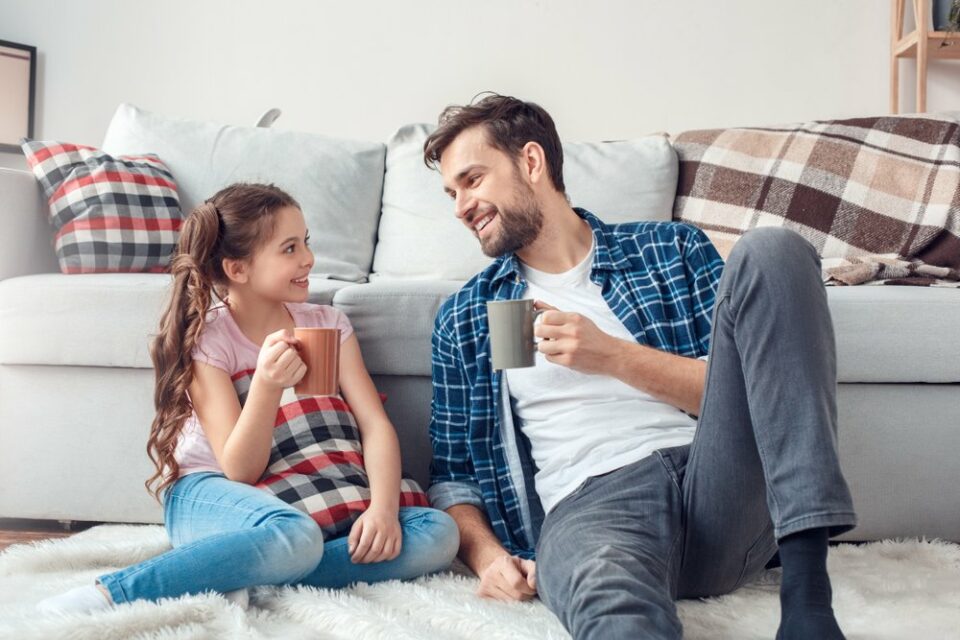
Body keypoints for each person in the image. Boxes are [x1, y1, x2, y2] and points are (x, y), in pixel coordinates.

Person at [423, 94, 856, 640]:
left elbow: (758, 397)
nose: (461, 205)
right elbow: (454, 476)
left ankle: (808, 598)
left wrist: (614, 357)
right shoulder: (468, 316)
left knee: (775, 251)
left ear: (531, 163)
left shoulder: (669, 251)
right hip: (593, 509)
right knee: (613, 608)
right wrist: (487, 557)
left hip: (717, 485)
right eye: (451, 192)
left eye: (472, 180)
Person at [37, 183, 458, 614]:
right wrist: (267, 386)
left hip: (311, 491)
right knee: (295, 537)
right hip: (215, 493)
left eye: (306, 243)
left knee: (437, 533)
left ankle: (239, 574)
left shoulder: (328, 323)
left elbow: (374, 424)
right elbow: (239, 469)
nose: (308, 259)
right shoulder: (208, 340)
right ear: (238, 269)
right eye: (289, 248)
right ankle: (113, 592)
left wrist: (384, 511)